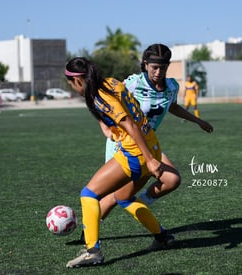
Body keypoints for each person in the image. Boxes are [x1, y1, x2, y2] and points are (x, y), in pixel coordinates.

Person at [64, 57, 175, 268]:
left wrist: (150, 161)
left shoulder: (99, 97)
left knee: (88, 194)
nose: (71, 87)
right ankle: (163, 238)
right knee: (124, 197)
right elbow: (118, 109)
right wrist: (105, 126)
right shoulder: (110, 83)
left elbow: (130, 124)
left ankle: (92, 251)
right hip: (151, 144)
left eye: (71, 83)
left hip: (136, 152)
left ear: (78, 79)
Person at [97, 44, 213, 226]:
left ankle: (140, 205)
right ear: (145, 64)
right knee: (114, 195)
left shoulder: (172, 86)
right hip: (124, 144)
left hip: (149, 145)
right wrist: (105, 128)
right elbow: (103, 100)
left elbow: (172, 106)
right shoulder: (133, 83)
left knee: (172, 180)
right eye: (154, 67)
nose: (159, 72)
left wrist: (197, 121)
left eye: (163, 67)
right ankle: (89, 232)